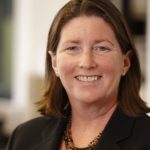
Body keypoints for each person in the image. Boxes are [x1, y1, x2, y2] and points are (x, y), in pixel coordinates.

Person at [6, 0, 150, 150]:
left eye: (102, 48)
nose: (87, 62)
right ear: (54, 63)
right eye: (72, 48)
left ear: (125, 63)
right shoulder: (23, 138)